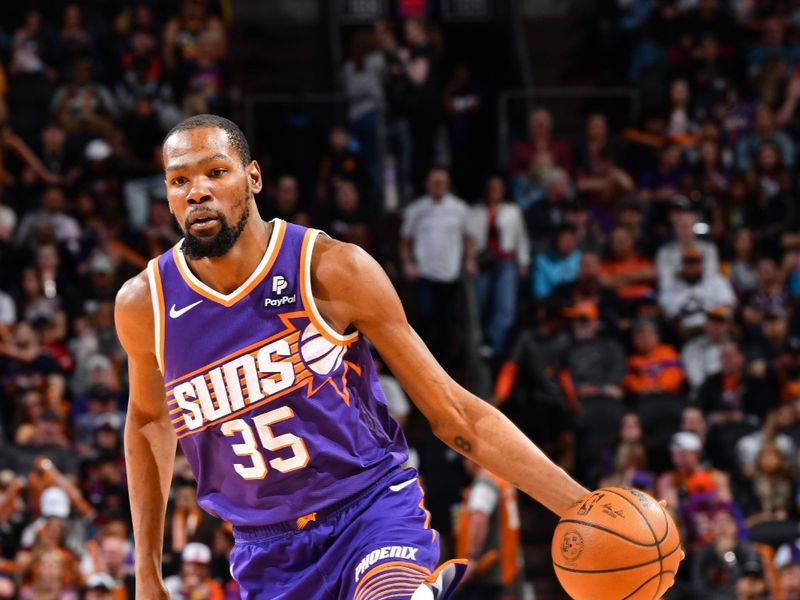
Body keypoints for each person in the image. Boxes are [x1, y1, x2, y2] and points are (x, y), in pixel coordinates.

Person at [114, 115, 592, 599]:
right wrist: (147, 574)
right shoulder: (144, 304)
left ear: (253, 177)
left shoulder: (330, 269)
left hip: (370, 512)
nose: (197, 191)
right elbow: (149, 423)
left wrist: (580, 505)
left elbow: (455, 414)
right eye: (179, 180)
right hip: (265, 551)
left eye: (216, 172)